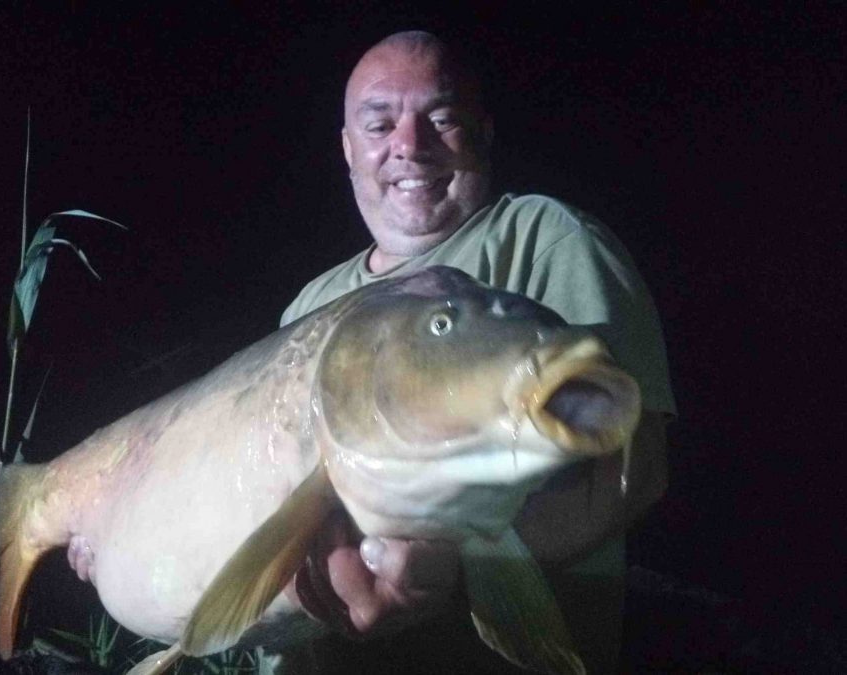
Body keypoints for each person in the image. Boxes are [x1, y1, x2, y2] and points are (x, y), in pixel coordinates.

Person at [279, 31, 676, 674]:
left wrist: (451, 571)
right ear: (349, 148)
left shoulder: (544, 238)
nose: (409, 145)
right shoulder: (309, 304)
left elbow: (636, 469)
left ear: (483, 133)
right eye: (379, 125)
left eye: (441, 119)